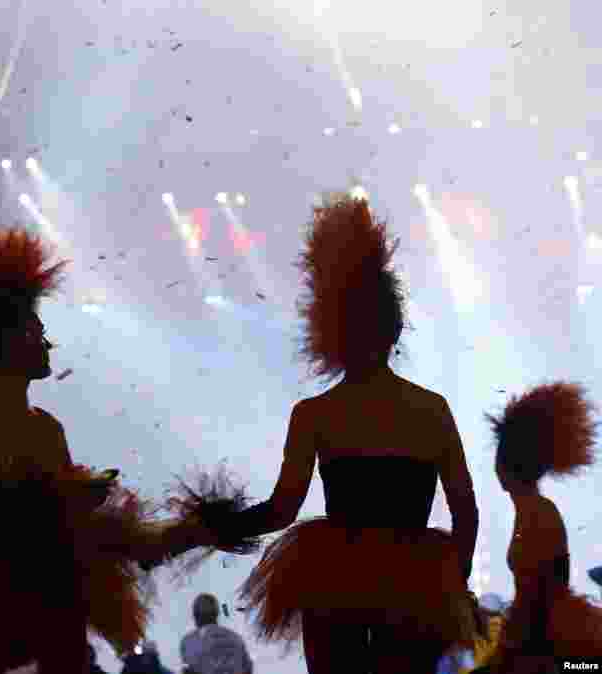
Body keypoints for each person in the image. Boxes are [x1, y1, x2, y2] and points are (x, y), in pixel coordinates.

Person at [0, 228, 215, 674]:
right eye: (37, 331)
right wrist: (62, 498)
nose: (48, 343)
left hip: (52, 593)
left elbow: (70, 522)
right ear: (4, 341)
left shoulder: (48, 428)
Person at [201, 196, 481, 674]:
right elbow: (465, 508)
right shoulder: (430, 410)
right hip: (415, 582)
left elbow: (281, 509)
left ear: (329, 332)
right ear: (393, 329)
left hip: (334, 579)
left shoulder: (315, 414)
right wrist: (455, 576)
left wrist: (217, 524)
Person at [479, 382, 602, 671]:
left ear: (509, 466)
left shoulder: (538, 514)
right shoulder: (533, 511)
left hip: (540, 641)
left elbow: (540, 597)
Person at [179, 594, 251, 674]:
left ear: (195, 616)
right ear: (216, 614)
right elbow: (248, 668)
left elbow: (188, 669)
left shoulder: (188, 642)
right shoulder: (236, 638)